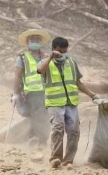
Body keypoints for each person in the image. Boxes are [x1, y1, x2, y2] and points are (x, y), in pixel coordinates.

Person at [37, 37, 97, 168]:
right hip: (55, 103)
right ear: (53, 49)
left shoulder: (70, 61)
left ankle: (68, 160)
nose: (62, 54)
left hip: (71, 103)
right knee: (58, 128)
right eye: (59, 51)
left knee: (74, 131)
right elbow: (40, 70)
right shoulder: (45, 62)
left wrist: (92, 94)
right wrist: (51, 58)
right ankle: (55, 158)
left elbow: (78, 82)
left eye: (64, 51)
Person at [12, 29, 52, 143]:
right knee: (37, 114)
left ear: (41, 42)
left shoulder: (46, 57)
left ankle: (37, 138)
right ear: (28, 42)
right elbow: (17, 76)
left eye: (37, 39)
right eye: (32, 39)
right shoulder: (22, 58)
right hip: (31, 92)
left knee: (45, 114)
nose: (35, 41)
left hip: (46, 91)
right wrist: (15, 93)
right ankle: (38, 139)